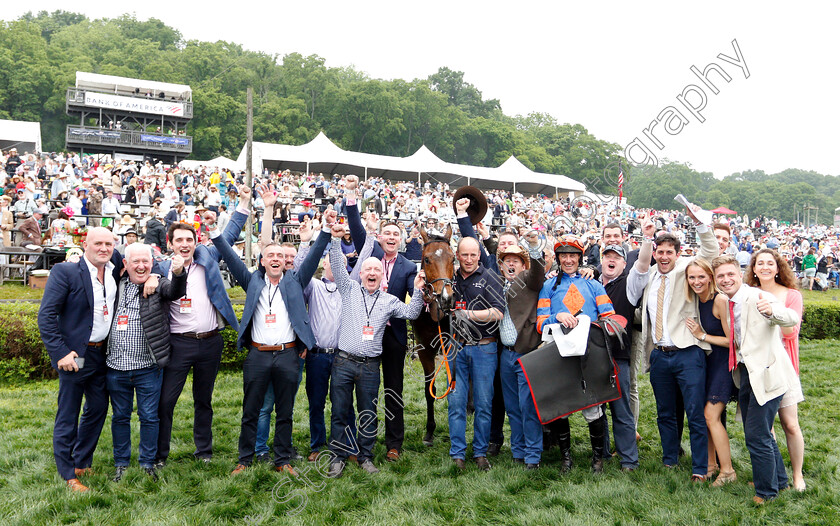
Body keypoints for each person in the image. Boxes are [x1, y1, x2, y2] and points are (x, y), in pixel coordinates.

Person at [207, 203, 332, 476]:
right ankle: (245, 459)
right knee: (251, 410)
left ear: (284, 262)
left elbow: (314, 256)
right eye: (270, 255)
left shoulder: (295, 281)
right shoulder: (251, 281)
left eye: (279, 255)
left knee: (285, 411)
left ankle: (282, 460)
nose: (275, 258)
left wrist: (325, 230)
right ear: (262, 261)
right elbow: (228, 256)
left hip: (288, 355)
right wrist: (215, 230)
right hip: (258, 355)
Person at [154, 187, 249, 468]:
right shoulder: (161, 268)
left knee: (203, 400)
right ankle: (160, 455)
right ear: (170, 243)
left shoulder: (207, 257)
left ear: (197, 242)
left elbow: (229, 234)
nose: (184, 244)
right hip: (178, 343)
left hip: (210, 342)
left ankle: (204, 451)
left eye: (189, 240)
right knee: (165, 401)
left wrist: (243, 203)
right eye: (179, 240)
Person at [325, 221, 425, 478]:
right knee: (339, 411)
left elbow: (412, 312)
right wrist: (335, 240)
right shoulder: (349, 289)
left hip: (370, 366)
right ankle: (337, 456)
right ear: (360, 273)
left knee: (368, 413)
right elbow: (337, 265)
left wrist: (418, 291)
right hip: (344, 362)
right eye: (367, 269)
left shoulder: (390, 300)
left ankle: (365, 456)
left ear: (382, 278)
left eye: (376, 271)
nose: (371, 273)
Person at [629, 203, 718, 482]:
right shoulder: (650, 275)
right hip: (659, 354)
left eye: (669, 252)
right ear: (655, 253)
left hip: (687, 353)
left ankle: (700, 468)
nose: (664, 256)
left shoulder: (685, 271)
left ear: (678, 254)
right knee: (665, 413)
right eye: (660, 252)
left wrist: (701, 225)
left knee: (695, 413)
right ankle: (670, 460)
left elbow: (711, 253)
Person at [37, 227, 124, 492]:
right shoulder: (66, 272)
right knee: (68, 413)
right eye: (97, 243)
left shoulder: (114, 266)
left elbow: (143, 262)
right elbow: (46, 316)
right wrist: (60, 352)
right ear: (85, 244)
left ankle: (81, 461)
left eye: (109, 244)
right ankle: (67, 474)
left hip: (101, 354)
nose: (103, 248)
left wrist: (154, 274)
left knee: (97, 408)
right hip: (75, 356)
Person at [712, 255, 801, 504]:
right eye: (721, 276)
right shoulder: (728, 301)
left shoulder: (757, 296)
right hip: (746, 374)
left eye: (730, 274)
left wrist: (773, 311)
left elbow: (791, 319)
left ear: (739, 274)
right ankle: (779, 481)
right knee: (759, 432)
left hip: (768, 374)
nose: (726, 279)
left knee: (756, 435)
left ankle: (766, 492)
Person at [344, 175, 417, 462]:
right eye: (386, 233)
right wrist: (352, 196)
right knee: (366, 391)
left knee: (394, 390)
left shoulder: (409, 265)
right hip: (366, 334)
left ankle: (393, 442)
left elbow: (414, 294)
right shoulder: (370, 253)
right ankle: (362, 442)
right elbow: (356, 229)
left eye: (395, 234)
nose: (390, 237)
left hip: (394, 336)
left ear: (401, 240)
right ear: (381, 237)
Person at [536, 236, 616, 473]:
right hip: (558, 352)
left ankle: (598, 459)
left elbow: (610, 316)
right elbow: (540, 323)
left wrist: (589, 324)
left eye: (573, 256)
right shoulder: (548, 286)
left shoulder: (593, 284)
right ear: (558, 258)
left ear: (580, 258)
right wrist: (557, 317)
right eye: (564, 256)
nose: (568, 260)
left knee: (593, 406)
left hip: (589, 351)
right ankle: (566, 459)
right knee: (562, 407)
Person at [107, 245, 187, 483]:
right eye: (135, 262)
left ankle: (147, 463)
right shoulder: (115, 284)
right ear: (125, 263)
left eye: (146, 261)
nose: (141, 266)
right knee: (120, 417)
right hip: (115, 367)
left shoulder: (157, 284)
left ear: (152, 263)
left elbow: (175, 291)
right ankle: (121, 463)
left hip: (147, 367)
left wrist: (178, 271)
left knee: (150, 417)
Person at [745, 248, 806, 491]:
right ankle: (769, 474)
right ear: (754, 268)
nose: (765, 267)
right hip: (759, 368)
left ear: (778, 268)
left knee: (790, 424)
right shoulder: (749, 294)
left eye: (770, 263)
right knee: (765, 427)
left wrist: (772, 313)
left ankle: (798, 475)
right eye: (760, 263)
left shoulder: (791, 295)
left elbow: (791, 332)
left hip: (784, 365)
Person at [683, 259, 737, 486]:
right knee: (706, 417)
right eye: (692, 277)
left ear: (710, 277)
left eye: (701, 277)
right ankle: (711, 464)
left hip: (724, 364)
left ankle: (728, 471)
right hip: (708, 363)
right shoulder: (697, 299)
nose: (696, 282)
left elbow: (732, 341)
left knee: (710, 415)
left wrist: (702, 336)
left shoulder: (720, 300)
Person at [496, 244, 545, 469]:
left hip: (526, 353)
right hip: (505, 354)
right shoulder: (496, 284)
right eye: (507, 260)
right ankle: (518, 450)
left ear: (524, 265)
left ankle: (533, 455)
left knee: (528, 407)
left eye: (516, 260)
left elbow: (538, 272)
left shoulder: (528, 280)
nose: (511, 264)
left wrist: (534, 250)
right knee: (512, 407)